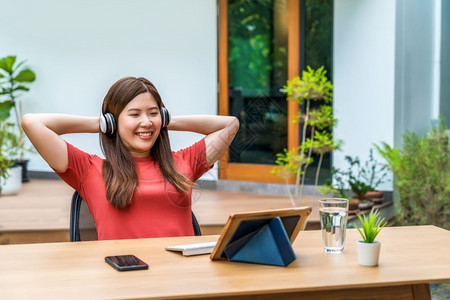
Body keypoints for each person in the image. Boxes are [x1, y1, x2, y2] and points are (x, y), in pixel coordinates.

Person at [21, 76, 239, 240]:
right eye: (134, 115)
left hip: (181, 277)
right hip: (124, 279)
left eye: (153, 113)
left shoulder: (184, 161)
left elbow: (230, 124)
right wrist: (102, 124)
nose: (146, 122)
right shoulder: (88, 170)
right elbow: (32, 123)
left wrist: (166, 120)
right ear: (114, 121)